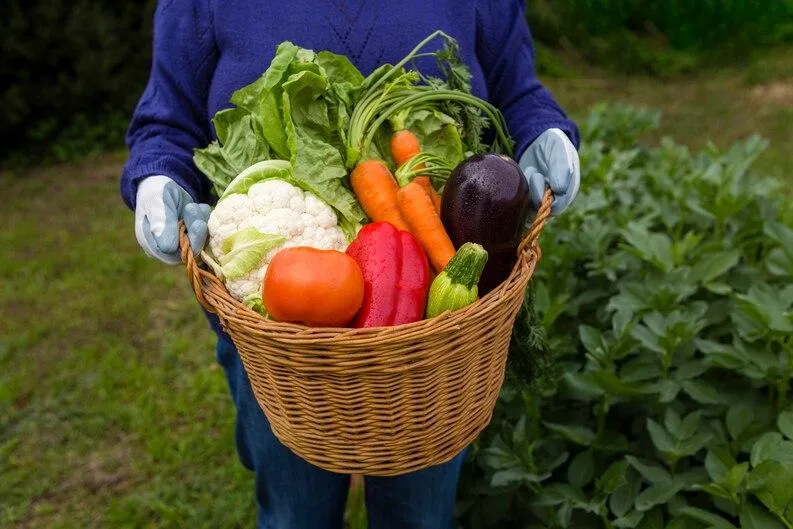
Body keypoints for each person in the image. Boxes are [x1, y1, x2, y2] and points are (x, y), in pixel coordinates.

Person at [120, 1, 581, 527]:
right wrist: (159, 180)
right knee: (296, 516)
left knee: (420, 519)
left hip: (435, 346)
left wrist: (545, 132)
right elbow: (167, 123)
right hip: (279, 351)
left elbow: (516, 92)